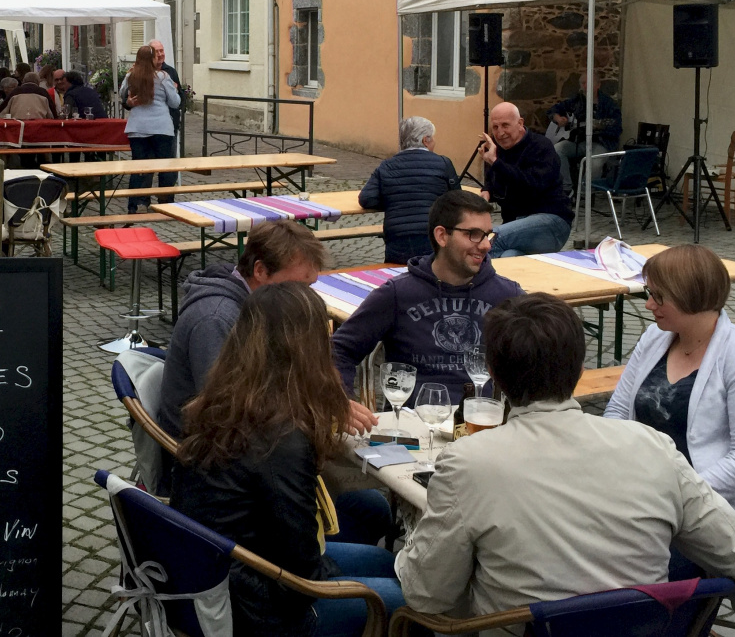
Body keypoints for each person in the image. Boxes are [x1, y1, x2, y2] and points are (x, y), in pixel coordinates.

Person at [395, 294, 735, 636]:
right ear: (580, 369)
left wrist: (411, 544)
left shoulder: (468, 463)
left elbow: (427, 595)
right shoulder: (653, 447)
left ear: (496, 376)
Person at [172, 282, 407, 637]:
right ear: (308, 348)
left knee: (389, 562)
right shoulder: (281, 438)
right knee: (409, 603)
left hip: (219, 572)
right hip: (259, 608)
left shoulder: (225, 399)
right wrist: (337, 579)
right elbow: (303, 569)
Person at [157, 220, 388, 544]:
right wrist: (319, 409)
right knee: (371, 522)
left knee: (374, 508)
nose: (308, 299)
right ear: (261, 271)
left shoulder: (260, 311)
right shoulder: (217, 319)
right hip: (231, 495)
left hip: (244, 475)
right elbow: (238, 414)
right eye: (299, 287)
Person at [604, 245, 735, 538]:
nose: (648, 305)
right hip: (652, 491)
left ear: (689, 299)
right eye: (649, 292)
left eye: (658, 297)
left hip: (724, 510)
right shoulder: (657, 336)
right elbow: (618, 410)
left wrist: (672, 493)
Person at [332, 190, 522, 405]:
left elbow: (544, 359)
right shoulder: (398, 294)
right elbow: (339, 352)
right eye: (474, 234)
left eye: (488, 234)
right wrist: (342, 402)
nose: (486, 245)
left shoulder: (508, 296)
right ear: (442, 236)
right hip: (414, 428)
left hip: (481, 425)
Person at [358, 116, 458, 265]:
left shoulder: (387, 166)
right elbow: (457, 198)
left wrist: (393, 199)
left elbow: (366, 199)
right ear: (426, 140)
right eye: (433, 138)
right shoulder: (443, 163)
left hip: (398, 240)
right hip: (434, 238)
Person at [479, 101, 572, 257]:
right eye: (495, 127)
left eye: (505, 125)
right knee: (508, 256)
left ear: (520, 123)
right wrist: (487, 192)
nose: (500, 133)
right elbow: (494, 183)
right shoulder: (496, 150)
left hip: (551, 220)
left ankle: (467, 280)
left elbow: (531, 185)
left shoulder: (541, 146)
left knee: (490, 239)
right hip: (516, 223)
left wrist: (496, 163)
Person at [120, 45, 182, 213]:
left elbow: (122, 95)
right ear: (153, 59)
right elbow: (175, 103)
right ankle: (165, 202)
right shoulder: (162, 77)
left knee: (138, 167)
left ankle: (135, 203)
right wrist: (174, 90)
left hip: (137, 128)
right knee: (165, 167)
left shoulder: (130, 77)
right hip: (161, 127)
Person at [547, 73, 623, 194]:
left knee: (595, 162)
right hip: (579, 141)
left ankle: (585, 193)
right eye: (582, 83)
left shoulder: (608, 104)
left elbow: (617, 128)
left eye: (588, 83)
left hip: (601, 143)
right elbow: (553, 109)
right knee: (557, 150)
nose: (584, 86)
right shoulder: (577, 100)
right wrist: (558, 118)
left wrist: (600, 127)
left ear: (598, 85)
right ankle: (566, 188)